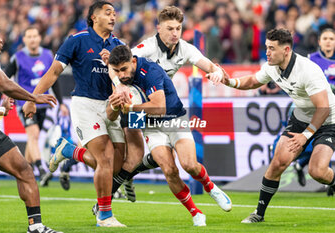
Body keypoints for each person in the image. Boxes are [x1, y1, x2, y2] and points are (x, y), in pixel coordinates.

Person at [52, 45, 232, 226]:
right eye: (117, 71)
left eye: (124, 69)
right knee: (167, 169)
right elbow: (111, 114)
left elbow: (160, 108)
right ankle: (196, 212)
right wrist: (115, 106)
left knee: (189, 164)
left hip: (173, 118)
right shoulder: (118, 80)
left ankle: (211, 187)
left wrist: (130, 108)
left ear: (133, 61)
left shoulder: (149, 71)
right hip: (148, 125)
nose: (121, 75)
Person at [98, 5, 226, 203]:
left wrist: (216, 72)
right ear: (159, 28)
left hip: (158, 105)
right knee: (132, 154)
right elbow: (117, 66)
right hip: (134, 99)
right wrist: (119, 86)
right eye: (169, 29)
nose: (175, 33)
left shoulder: (186, 49)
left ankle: (124, 179)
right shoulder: (146, 48)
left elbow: (209, 65)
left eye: (178, 28)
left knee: (149, 158)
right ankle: (117, 182)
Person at [22, 1, 126, 227]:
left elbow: (127, 78)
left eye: (114, 13)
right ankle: (105, 216)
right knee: (105, 158)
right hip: (85, 104)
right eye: (107, 13)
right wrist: (32, 98)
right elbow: (54, 71)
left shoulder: (119, 46)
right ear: (93, 17)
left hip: (111, 106)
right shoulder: (77, 40)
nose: (113, 16)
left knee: (117, 165)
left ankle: (68, 150)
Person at [220, 28, 335, 223]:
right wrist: (229, 81)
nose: (267, 52)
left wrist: (305, 135)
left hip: (328, 119)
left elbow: (323, 108)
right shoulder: (272, 66)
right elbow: (251, 81)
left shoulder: (308, 70)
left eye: (272, 48)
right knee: (278, 163)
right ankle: (258, 214)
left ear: (287, 50)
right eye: (266, 47)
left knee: (317, 172)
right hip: (300, 118)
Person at [0, 22, 62, 233]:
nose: (2, 39)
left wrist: (0, 109)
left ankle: (35, 227)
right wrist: (33, 97)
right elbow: (5, 84)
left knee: (25, 171)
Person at [5, 26, 68, 181]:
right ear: (24, 39)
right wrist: (5, 98)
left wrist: (61, 103)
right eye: (29, 36)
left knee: (34, 136)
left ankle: (25, 172)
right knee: (33, 135)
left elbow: (55, 81)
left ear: (39, 38)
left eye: (35, 36)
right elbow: (5, 79)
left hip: (43, 104)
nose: (32, 39)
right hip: (25, 104)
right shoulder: (17, 57)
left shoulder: (48, 55)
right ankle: (41, 169)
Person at [293, 28, 335, 188]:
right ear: (319, 42)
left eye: (331, 38)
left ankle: (303, 164)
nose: (328, 41)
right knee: (315, 140)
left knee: (324, 143)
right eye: (325, 38)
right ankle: (302, 163)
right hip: (315, 109)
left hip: (333, 109)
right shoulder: (310, 60)